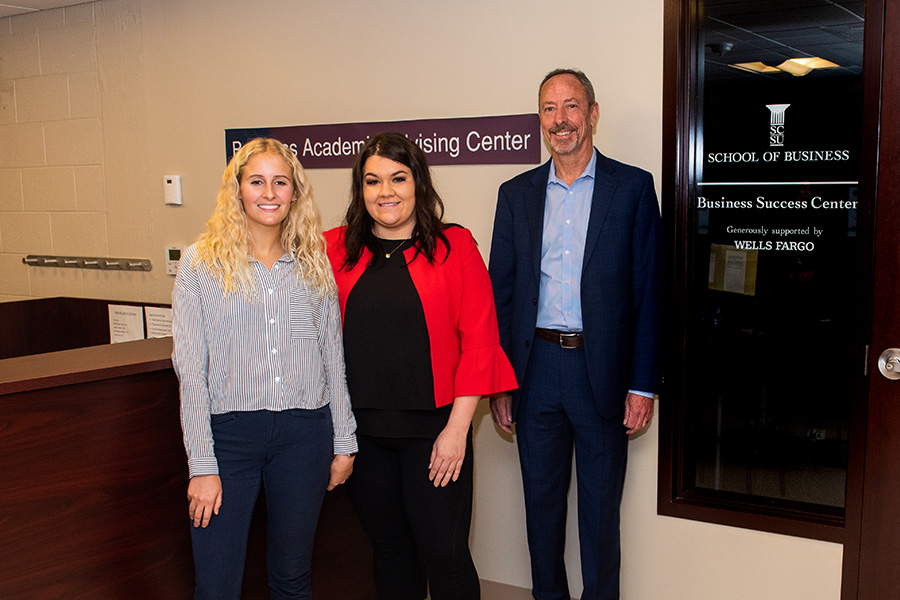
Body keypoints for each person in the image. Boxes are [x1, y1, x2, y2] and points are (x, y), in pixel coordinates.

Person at [488, 69, 663, 600]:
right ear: (540, 118)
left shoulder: (632, 188)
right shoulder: (515, 195)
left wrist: (642, 384)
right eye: (549, 108)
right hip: (535, 370)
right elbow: (502, 294)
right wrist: (500, 382)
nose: (560, 120)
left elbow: (649, 292)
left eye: (571, 106)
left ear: (592, 113)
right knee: (540, 508)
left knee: (600, 513)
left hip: (602, 371)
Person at [324, 132, 517, 600]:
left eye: (398, 178)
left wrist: (457, 431)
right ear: (360, 189)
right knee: (389, 551)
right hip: (362, 435)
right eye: (372, 181)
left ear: (418, 183)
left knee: (446, 556)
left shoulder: (455, 246)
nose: (385, 191)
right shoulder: (333, 249)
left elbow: (480, 341)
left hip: (434, 434)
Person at [172, 137, 357, 600]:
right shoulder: (201, 263)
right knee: (216, 585)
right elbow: (190, 371)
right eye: (257, 181)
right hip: (228, 440)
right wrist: (202, 465)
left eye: (281, 182)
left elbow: (332, 357)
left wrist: (344, 440)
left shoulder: (314, 262)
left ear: (295, 192)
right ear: (237, 189)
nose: (269, 193)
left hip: (304, 436)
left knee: (292, 579)